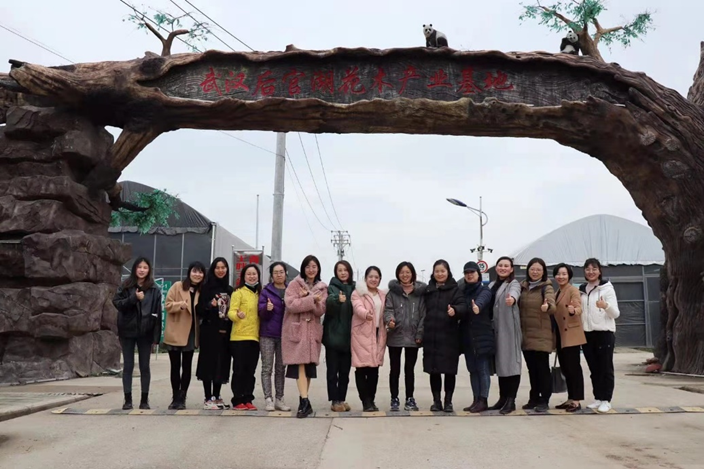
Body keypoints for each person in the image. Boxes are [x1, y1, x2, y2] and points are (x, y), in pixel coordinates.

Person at [113, 256, 162, 410]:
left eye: (145, 267)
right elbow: (117, 303)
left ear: (149, 270)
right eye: (139, 267)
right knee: (128, 366)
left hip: (145, 332)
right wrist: (133, 298)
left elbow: (157, 313)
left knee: (144, 366)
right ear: (135, 268)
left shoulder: (154, 289)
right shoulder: (125, 286)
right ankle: (127, 400)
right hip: (127, 331)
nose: (142, 270)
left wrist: (156, 337)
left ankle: (144, 400)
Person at [283, 255, 328, 418]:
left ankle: (304, 400)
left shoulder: (322, 288)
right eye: (308, 266)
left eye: (314, 266)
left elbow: (320, 310)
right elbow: (291, 304)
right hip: (297, 330)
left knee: (308, 367)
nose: (311, 270)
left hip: (311, 332)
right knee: (300, 365)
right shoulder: (294, 284)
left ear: (318, 269)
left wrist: (309, 299)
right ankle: (304, 400)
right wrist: (311, 299)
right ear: (303, 268)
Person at [421, 259, 466, 412]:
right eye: (437, 271)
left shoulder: (455, 289)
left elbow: (463, 306)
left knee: (449, 371)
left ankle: (448, 401)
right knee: (434, 371)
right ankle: (436, 401)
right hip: (431, 337)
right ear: (433, 273)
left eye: (442, 271)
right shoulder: (428, 290)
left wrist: (455, 310)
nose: (440, 274)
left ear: (448, 272)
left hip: (449, 338)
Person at [384, 261, 426, 412]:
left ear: (413, 274)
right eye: (402, 272)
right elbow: (388, 309)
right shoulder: (392, 293)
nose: (405, 275)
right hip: (395, 336)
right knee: (394, 369)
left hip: (413, 337)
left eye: (408, 272)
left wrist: (420, 333)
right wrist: (390, 320)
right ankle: (394, 398)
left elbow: (423, 315)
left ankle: (410, 398)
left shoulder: (420, 294)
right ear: (398, 274)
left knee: (409, 369)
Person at [579, 257, 620, 413]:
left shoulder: (607, 289)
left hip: (604, 333)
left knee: (605, 368)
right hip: (587, 334)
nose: (591, 272)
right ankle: (598, 397)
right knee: (594, 369)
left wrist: (605, 306)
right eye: (588, 269)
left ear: (599, 271)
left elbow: (615, 314)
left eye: (594, 269)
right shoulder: (582, 290)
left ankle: (606, 400)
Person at [164, 261, 205, 410]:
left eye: (200, 272)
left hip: (191, 333)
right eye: (194, 271)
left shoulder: (202, 290)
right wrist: (179, 305)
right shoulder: (177, 286)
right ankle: (175, 397)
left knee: (187, 366)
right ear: (189, 272)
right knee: (175, 366)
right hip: (176, 331)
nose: (197, 274)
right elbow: (167, 305)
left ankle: (182, 397)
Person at [519, 257, 557, 412]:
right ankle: (533, 397)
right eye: (532, 269)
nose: (535, 272)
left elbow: (552, 305)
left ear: (543, 272)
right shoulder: (523, 287)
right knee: (532, 370)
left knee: (542, 370)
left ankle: (544, 400)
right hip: (526, 334)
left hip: (541, 335)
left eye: (538, 269)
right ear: (528, 270)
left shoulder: (546, 287)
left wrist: (547, 307)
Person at [195, 257, 233, 410]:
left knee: (221, 363)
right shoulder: (206, 288)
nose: (220, 270)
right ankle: (208, 397)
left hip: (225, 331)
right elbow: (199, 310)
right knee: (208, 363)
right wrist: (210, 305)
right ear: (213, 269)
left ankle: (217, 396)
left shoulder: (230, 290)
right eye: (217, 267)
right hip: (209, 331)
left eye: (223, 267)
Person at [458, 261, 494, 413]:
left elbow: (482, 300)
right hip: (467, 337)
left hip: (482, 336)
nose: (469, 275)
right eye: (466, 273)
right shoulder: (462, 291)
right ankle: (476, 399)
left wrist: (477, 307)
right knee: (472, 370)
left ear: (478, 274)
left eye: (472, 272)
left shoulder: (484, 290)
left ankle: (483, 400)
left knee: (482, 369)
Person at [488, 256, 523, 415]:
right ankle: (502, 398)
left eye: (506, 266)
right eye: (500, 265)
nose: (503, 268)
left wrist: (512, 299)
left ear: (511, 269)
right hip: (495, 330)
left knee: (512, 365)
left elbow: (515, 293)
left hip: (509, 329)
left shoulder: (513, 284)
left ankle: (511, 400)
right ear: (496, 268)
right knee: (501, 365)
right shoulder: (492, 285)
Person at [351, 266, 387, 412]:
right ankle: (365, 401)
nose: (373, 279)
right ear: (365, 278)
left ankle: (371, 400)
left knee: (374, 370)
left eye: (376, 277)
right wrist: (365, 314)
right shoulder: (358, 293)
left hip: (378, 334)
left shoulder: (382, 295)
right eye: (371, 276)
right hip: (361, 334)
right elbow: (357, 307)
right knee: (361, 369)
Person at [257, 261, 292, 412]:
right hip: (267, 334)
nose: (279, 275)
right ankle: (268, 399)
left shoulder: (290, 291)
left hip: (284, 335)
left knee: (280, 368)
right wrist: (267, 308)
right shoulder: (266, 291)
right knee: (267, 368)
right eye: (276, 272)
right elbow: (260, 312)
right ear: (271, 275)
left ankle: (279, 398)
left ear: (285, 274)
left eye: (281, 272)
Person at [552, 263, 586, 413]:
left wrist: (574, 310)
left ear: (569, 276)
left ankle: (576, 401)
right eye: (558, 274)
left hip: (571, 334)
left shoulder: (573, 290)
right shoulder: (557, 292)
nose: (561, 277)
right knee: (566, 368)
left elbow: (578, 306)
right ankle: (571, 398)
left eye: (564, 274)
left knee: (573, 368)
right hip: (561, 334)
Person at [228, 263, 262, 410]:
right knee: (239, 370)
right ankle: (237, 399)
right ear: (243, 276)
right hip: (239, 338)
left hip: (255, 337)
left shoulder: (260, 294)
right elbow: (230, 312)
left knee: (250, 371)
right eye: (249, 274)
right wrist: (237, 315)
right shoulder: (238, 292)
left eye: (254, 274)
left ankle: (248, 398)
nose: (252, 276)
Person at [323, 260, 356, 412]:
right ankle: (334, 400)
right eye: (340, 270)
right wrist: (337, 300)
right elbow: (328, 303)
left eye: (345, 270)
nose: (343, 273)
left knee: (345, 372)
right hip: (333, 337)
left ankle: (342, 399)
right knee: (332, 372)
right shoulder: (331, 288)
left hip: (349, 339)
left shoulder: (355, 289)